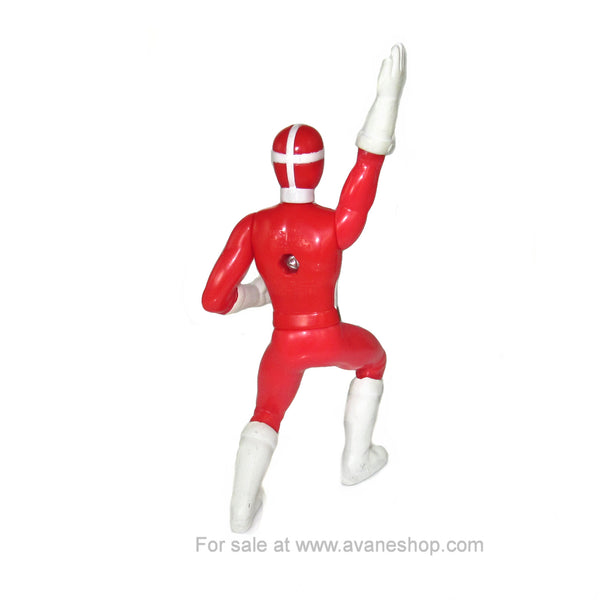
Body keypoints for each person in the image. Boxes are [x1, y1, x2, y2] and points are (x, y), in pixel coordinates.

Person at [202, 45, 407, 533]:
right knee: (374, 359)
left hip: (284, 344)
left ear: (276, 167)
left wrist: (258, 295)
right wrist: (387, 101)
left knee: (266, 411)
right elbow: (364, 176)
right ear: (318, 167)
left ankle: (240, 510)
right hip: (330, 336)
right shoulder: (331, 225)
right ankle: (355, 461)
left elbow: (214, 300)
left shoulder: (254, 226)